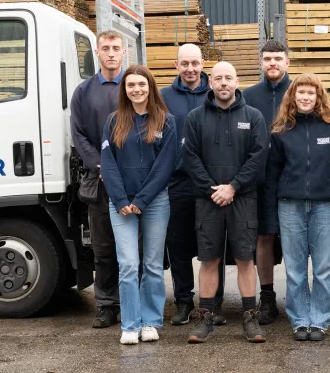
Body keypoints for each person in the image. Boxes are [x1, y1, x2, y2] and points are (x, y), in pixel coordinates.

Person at [184, 62, 269, 343]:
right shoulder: (195, 118)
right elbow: (191, 158)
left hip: (243, 199)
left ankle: (250, 319)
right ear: (211, 83)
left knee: (246, 259)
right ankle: (205, 319)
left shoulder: (253, 117)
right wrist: (214, 190)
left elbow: (258, 158)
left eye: (228, 78)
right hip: (208, 200)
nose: (223, 83)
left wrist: (233, 187)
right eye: (218, 78)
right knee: (209, 260)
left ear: (237, 81)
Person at [265, 73, 330, 341]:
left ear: (318, 97)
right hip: (289, 206)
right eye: (301, 92)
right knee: (295, 268)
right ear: (292, 97)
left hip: (325, 206)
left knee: (324, 268)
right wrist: (270, 219)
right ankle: (300, 320)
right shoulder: (281, 131)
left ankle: (320, 320)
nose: (305, 97)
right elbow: (272, 176)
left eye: (311, 93)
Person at [100, 64, 178, 344]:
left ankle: (150, 321)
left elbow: (165, 166)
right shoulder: (113, 121)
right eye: (131, 85)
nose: (137, 89)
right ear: (125, 89)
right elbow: (107, 165)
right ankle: (130, 325)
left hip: (155, 203)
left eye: (141, 85)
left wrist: (142, 200)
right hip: (121, 205)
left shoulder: (165, 121)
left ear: (150, 87)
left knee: (153, 265)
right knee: (129, 264)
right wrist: (121, 200)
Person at [160, 44, 227, 326]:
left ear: (203, 65)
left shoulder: (215, 94)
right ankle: (184, 302)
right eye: (184, 63)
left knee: (213, 245)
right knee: (178, 246)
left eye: (195, 63)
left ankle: (214, 303)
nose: (190, 69)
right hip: (177, 182)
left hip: (211, 184)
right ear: (177, 66)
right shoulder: (163, 97)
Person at [70, 30, 125, 329]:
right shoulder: (84, 91)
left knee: (133, 249)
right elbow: (78, 134)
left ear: (124, 52)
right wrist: (100, 164)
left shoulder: (134, 86)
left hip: (132, 181)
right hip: (100, 180)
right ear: (98, 53)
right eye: (105, 48)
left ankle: (132, 303)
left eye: (116, 48)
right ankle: (106, 305)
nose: (111, 53)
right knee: (104, 249)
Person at [243, 40, 292, 325]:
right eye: (267, 59)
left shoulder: (299, 91)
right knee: (263, 237)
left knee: (297, 240)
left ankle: (300, 295)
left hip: (293, 178)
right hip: (259, 179)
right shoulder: (248, 95)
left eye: (277, 58)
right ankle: (268, 297)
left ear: (287, 62)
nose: (272, 63)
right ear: (261, 63)